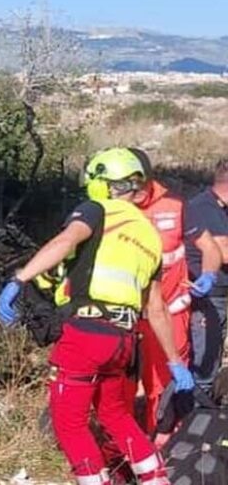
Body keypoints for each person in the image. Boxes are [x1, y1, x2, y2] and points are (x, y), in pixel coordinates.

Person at [0, 148, 194, 485]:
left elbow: (66, 240)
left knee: (69, 423)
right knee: (116, 414)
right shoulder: (148, 235)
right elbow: (156, 308)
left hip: (86, 332)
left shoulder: (97, 210)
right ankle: (156, 479)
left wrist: (20, 278)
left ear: (102, 183)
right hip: (125, 341)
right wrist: (175, 361)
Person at [125, 148, 221, 433]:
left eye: (140, 182)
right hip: (125, 314)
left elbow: (210, 248)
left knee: (164, 384)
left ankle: (162, 442)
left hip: (170, 313)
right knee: (121, 385)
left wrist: (208, 274)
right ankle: (123, 445)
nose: (136, 191)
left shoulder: (175, 207)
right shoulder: (112, 209)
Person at [186, 158, 228, 391]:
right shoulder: (205, 208)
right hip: (206, 296)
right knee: (204, 359)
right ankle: (194, 416)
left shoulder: (220, 209)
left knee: (212, 353)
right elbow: (223, 253)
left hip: (217, 295)